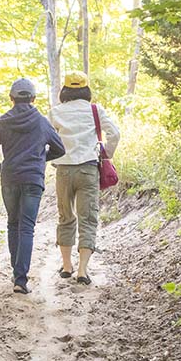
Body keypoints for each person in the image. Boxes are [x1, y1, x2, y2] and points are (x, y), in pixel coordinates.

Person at [0, 78, 66, 294]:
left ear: (11, 99)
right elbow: (60, 149)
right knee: (27, 227)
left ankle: (16, 273)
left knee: (13, 224)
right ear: (33, 98)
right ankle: (21, 279)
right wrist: (40, 158)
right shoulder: (41, 121)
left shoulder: (4, 121)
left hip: (10, 178)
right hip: (33, 180)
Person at [49, 71, 120, 285]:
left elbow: (47, 138)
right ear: (86, 89)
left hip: (63, 170)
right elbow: (114, 134)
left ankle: (66, 265)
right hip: (89, 169)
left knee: (65, 216)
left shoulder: (55, 112)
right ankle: (82, 270)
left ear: (65, 89)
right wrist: (106, 153)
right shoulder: (95, 110)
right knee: (88, 218)